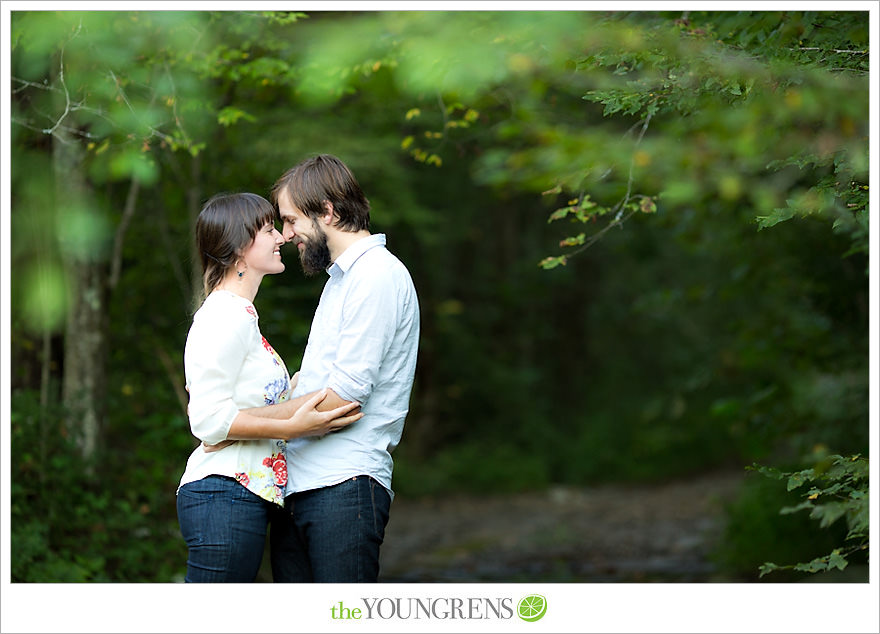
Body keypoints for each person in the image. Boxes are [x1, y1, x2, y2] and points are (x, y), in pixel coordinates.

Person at [242, 154, 420, 582]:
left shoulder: (376, 275)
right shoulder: (341, 280)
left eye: (290, 220)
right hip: (301, 487)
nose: (285, 235)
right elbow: (316, 386)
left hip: (344, 486)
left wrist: (239, 422)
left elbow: (342, 399)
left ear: (327, 211)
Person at [176, 192, 362, 583]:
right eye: (267, 230)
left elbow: (244, 408)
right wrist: (292, 427)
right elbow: (208, 420)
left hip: (242, 497)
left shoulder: (242, 315)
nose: (281, 237)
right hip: (222, 493)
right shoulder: (223, 315)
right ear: (240, 248)